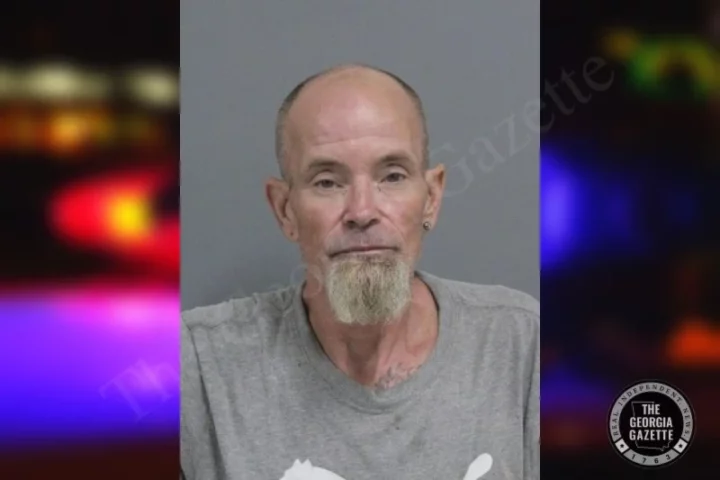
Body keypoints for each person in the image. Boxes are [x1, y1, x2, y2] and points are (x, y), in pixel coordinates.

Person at [181, 64, 539, 480]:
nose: (362, 211)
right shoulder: (199, 366)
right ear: (285, 210)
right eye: (327, 182)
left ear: (431, 198)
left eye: (392, 176)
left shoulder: (520, 345)